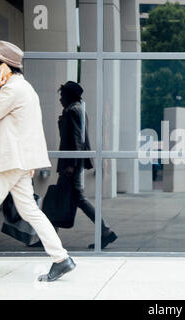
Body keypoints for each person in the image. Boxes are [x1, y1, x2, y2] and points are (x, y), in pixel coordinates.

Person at [0, 40, 76, 284]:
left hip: (6, 162)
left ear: (3, 66)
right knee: (30, 211)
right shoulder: (25, 88)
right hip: (18, 162)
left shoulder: (10, 89)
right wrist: (30, 162)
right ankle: (61, 259)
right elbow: (32, 129)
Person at [57, 81, 118, 249]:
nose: (60, 99)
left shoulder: (73, 110)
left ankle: (106, 231)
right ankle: (49, 236)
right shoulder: (76, 109)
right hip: (72, 163)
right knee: (61, 198)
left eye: (62, 95)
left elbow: (77, 139)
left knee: (74, 199)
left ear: (70, 95)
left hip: (71, 165)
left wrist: (72, 164)